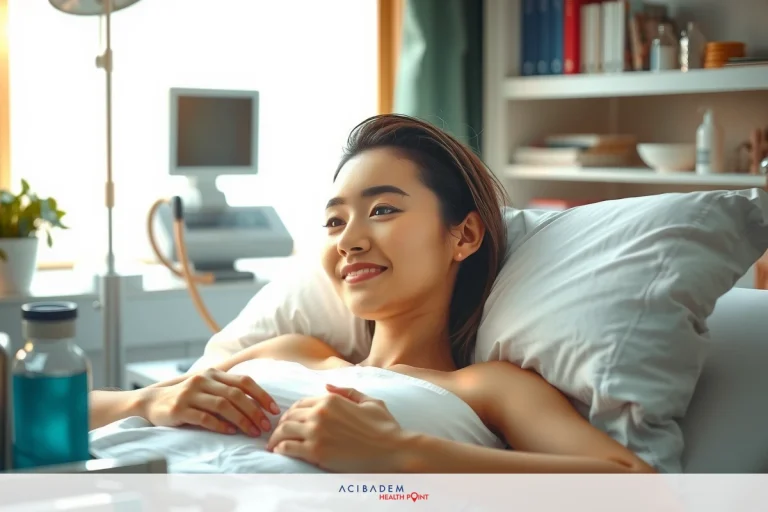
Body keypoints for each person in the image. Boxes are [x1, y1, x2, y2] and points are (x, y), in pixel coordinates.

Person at [89, 114, 655, 473]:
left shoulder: (487, 387)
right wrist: (148, 400)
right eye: (335, 223)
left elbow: (638, 488)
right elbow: (57, 418)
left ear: (464, 235)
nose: (349, 241)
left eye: (382, 210)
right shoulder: (293, 350)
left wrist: (405, 454)